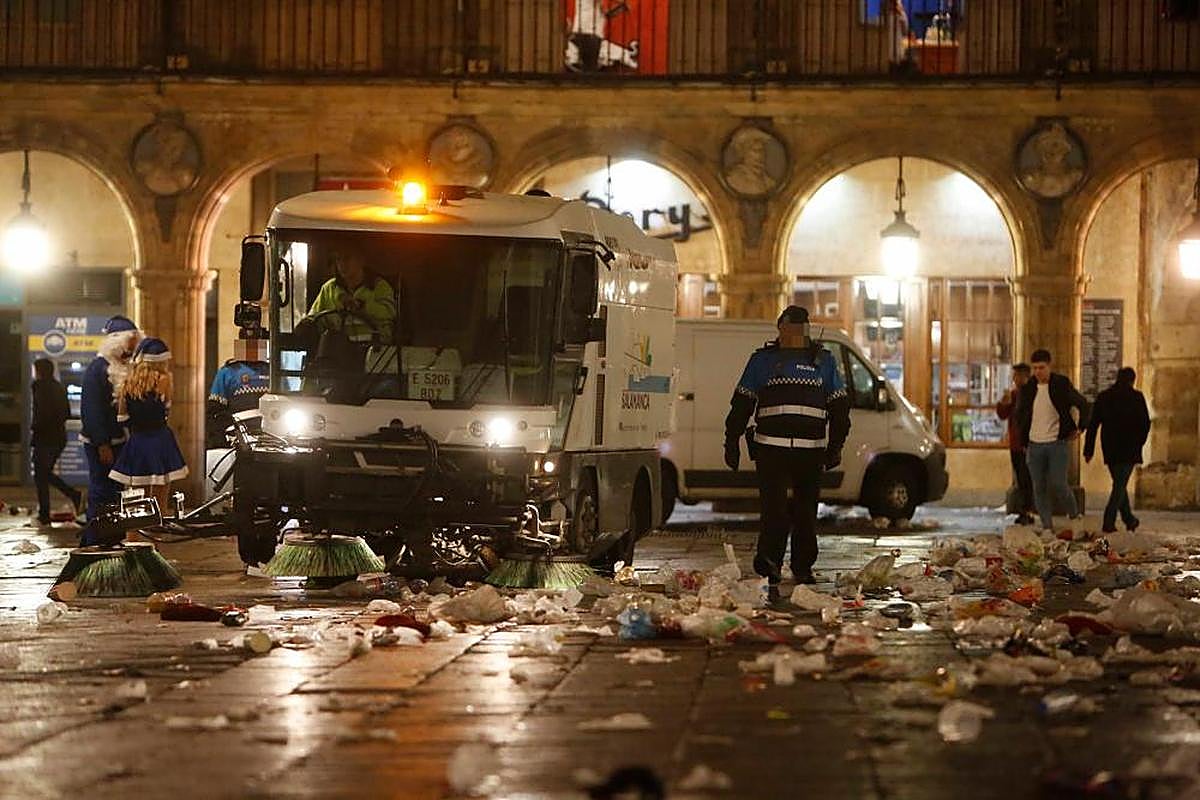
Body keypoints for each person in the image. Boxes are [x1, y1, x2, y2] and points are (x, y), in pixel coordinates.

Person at [723, 305, 851, 600]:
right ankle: (775, 565)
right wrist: (731, 440)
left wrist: (835, 447)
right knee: (779, 511)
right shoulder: (765, 361)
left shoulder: (821, 361)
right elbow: (741, 403)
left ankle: (797, 566)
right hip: (775, 450)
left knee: (800, 512)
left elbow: (840, 408)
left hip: (804, 452)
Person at [109, 338, 189, 517]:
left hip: (138, 440)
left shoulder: (128, 383)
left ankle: (137, 528)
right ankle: (157, 524)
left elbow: (122, 417)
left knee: (138, 491)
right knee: (161, 490)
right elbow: (167, 408)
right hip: (161, 440)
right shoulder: (165, 380)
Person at [79, 315, 141, 545]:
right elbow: (91, 409)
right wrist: (102, 443)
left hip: (121, 441)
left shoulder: (126, 368)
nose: (133, 348)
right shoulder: (98, 369)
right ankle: (93, 541)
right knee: (101, 491)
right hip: (102, 443)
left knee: (116, 492)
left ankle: (112, 537)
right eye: (130, 342)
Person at [1015, 348, 1091, 533]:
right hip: (1034, 444)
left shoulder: (1060, 384)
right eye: (1035, 368)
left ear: (1049, 366)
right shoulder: (1028, 389)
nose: (1038, 372)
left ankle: (1074, 516)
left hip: (1056, 443)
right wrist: (1023, 441)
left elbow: (1083, 404)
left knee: (1059, 484)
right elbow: (1020, 415)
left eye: (1041, 368)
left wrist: (1080, 428)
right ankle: (1047, 526)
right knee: (1038, 487)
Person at [1084, 367, 1151, 533]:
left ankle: (1129, 519)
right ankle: (1109, 520)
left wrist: (1088, 450)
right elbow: (1145, 423)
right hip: (1130, 448)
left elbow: (1093, 425)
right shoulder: (1136, 397)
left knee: (1119, 483)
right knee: (1120, 485)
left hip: (1111, 448)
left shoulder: (1104, 397)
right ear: (1132, 380)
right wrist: (1140, 443)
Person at [30, 358, 81, 525]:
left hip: (44, 438)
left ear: (40, 371)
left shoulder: (39, 387)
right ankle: (71, 496)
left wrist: (35, 426)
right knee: (44, 474)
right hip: (59, 437)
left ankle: (46, 512)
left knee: (41, 475)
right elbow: (66, 412)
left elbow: (41, 414)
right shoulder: (58, 387)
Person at [305, 251, 395, 343]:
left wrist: (362, 306)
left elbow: (390, 314)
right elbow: (313, 318)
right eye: (338, 259)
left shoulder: (379, 286)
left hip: (374, 348)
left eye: (346, 258)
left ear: (361, 260)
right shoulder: (329, 289)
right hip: (337, 348)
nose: (342, 264)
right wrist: (305, 325)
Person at [206, 333, 270, 447]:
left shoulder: (273, 371)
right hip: (237, 439)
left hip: (273, 437)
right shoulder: (227, 372)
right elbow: (214, 412)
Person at [996, 363, 1036, 525]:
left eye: (1017, 375)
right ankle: (1024, 510)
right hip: (1015, 444)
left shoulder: (1032, 394)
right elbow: (1003, 415)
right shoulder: (1013, 395)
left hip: (1029, 443)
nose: (1014, 379)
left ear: (1025, 376)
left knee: (1028, 479)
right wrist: (1003, 403)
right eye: (1014, 376)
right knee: (1020, 478)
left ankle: (1028, 509)